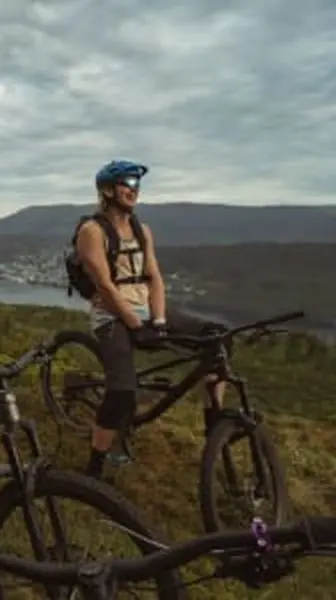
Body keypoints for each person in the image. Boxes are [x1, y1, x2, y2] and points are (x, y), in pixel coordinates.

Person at [75, 160, 230, 480]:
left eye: (136, 183)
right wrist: (134, 324)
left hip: (147, 309)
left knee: (218, 339)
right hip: (112, 316)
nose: (134, 188)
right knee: (121, 393)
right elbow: (104, 286)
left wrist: (158, 320)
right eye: (126, 182)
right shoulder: (91, 231)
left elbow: (155, 277)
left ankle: (214, 423)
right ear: (107, 190)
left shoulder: (142, 231)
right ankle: (94, 466)